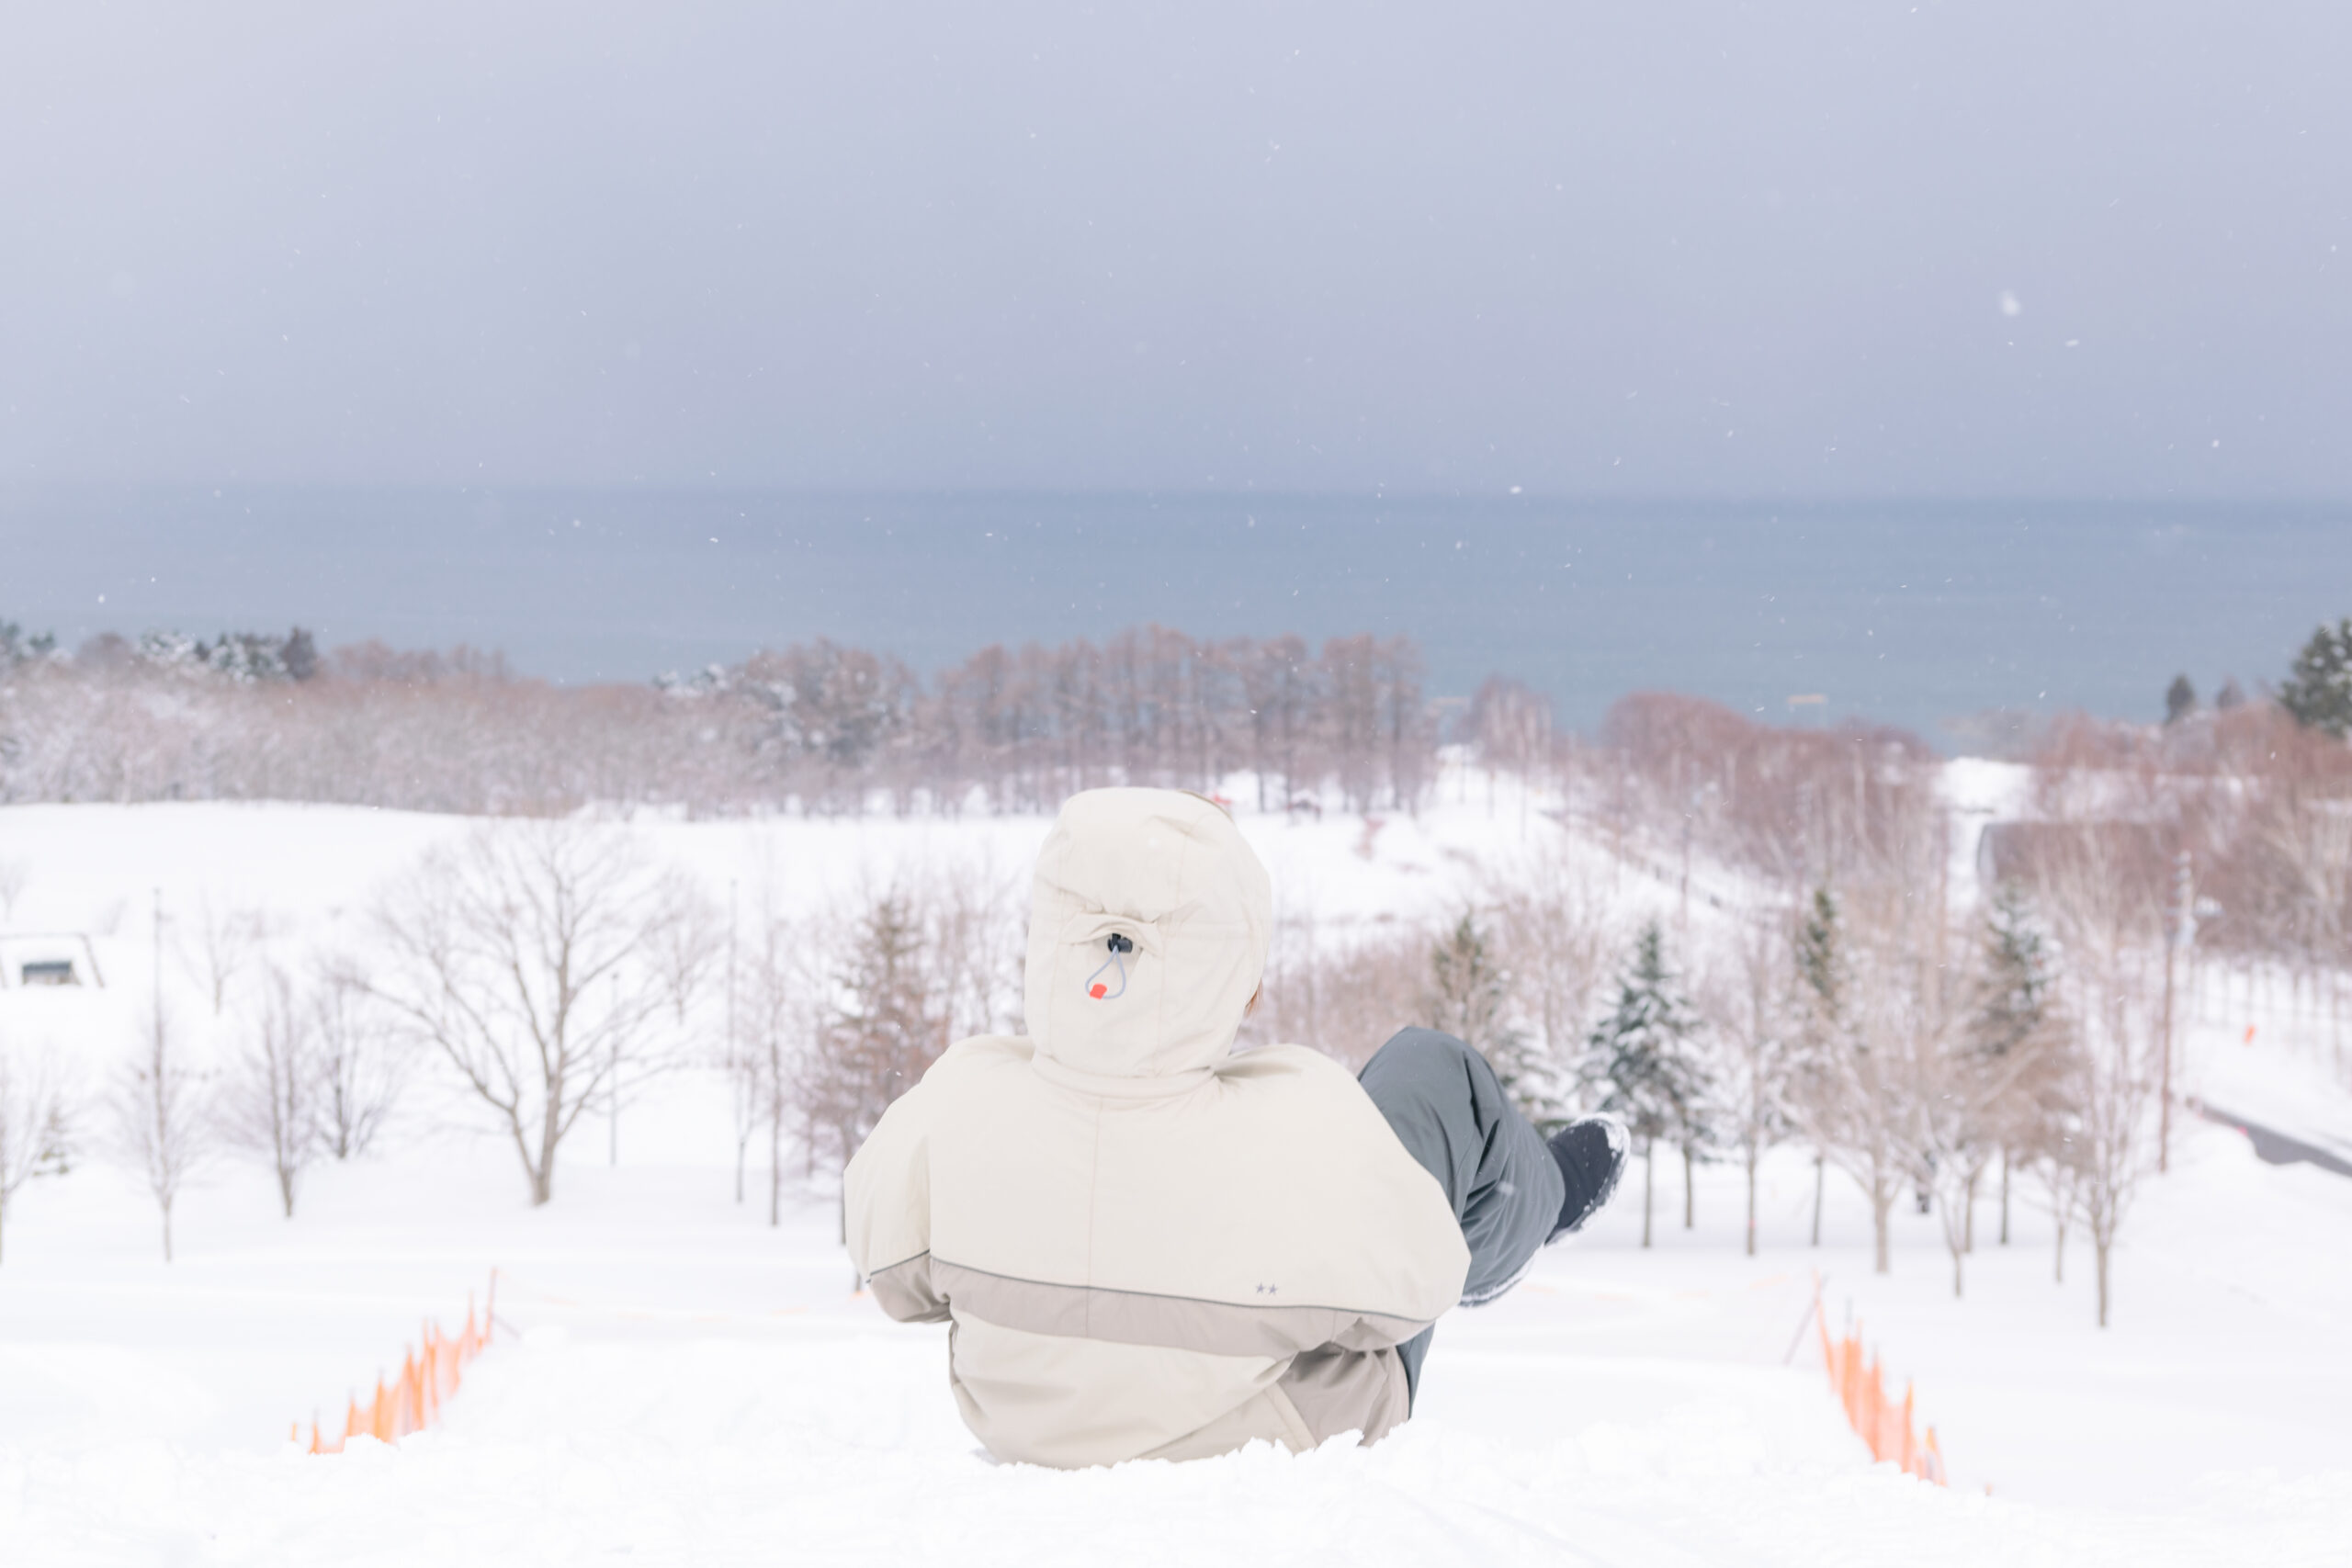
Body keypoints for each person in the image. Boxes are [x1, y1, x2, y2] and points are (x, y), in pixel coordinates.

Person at [845, 787, 1625, 1468]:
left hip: (1029, 1429)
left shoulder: (958, 1099)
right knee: (1433, 1070)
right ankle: (1538, 1204)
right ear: (1239, 983)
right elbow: (1418, 1288)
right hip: (1274, 1438)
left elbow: (895, 1279)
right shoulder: (1301, 1124)